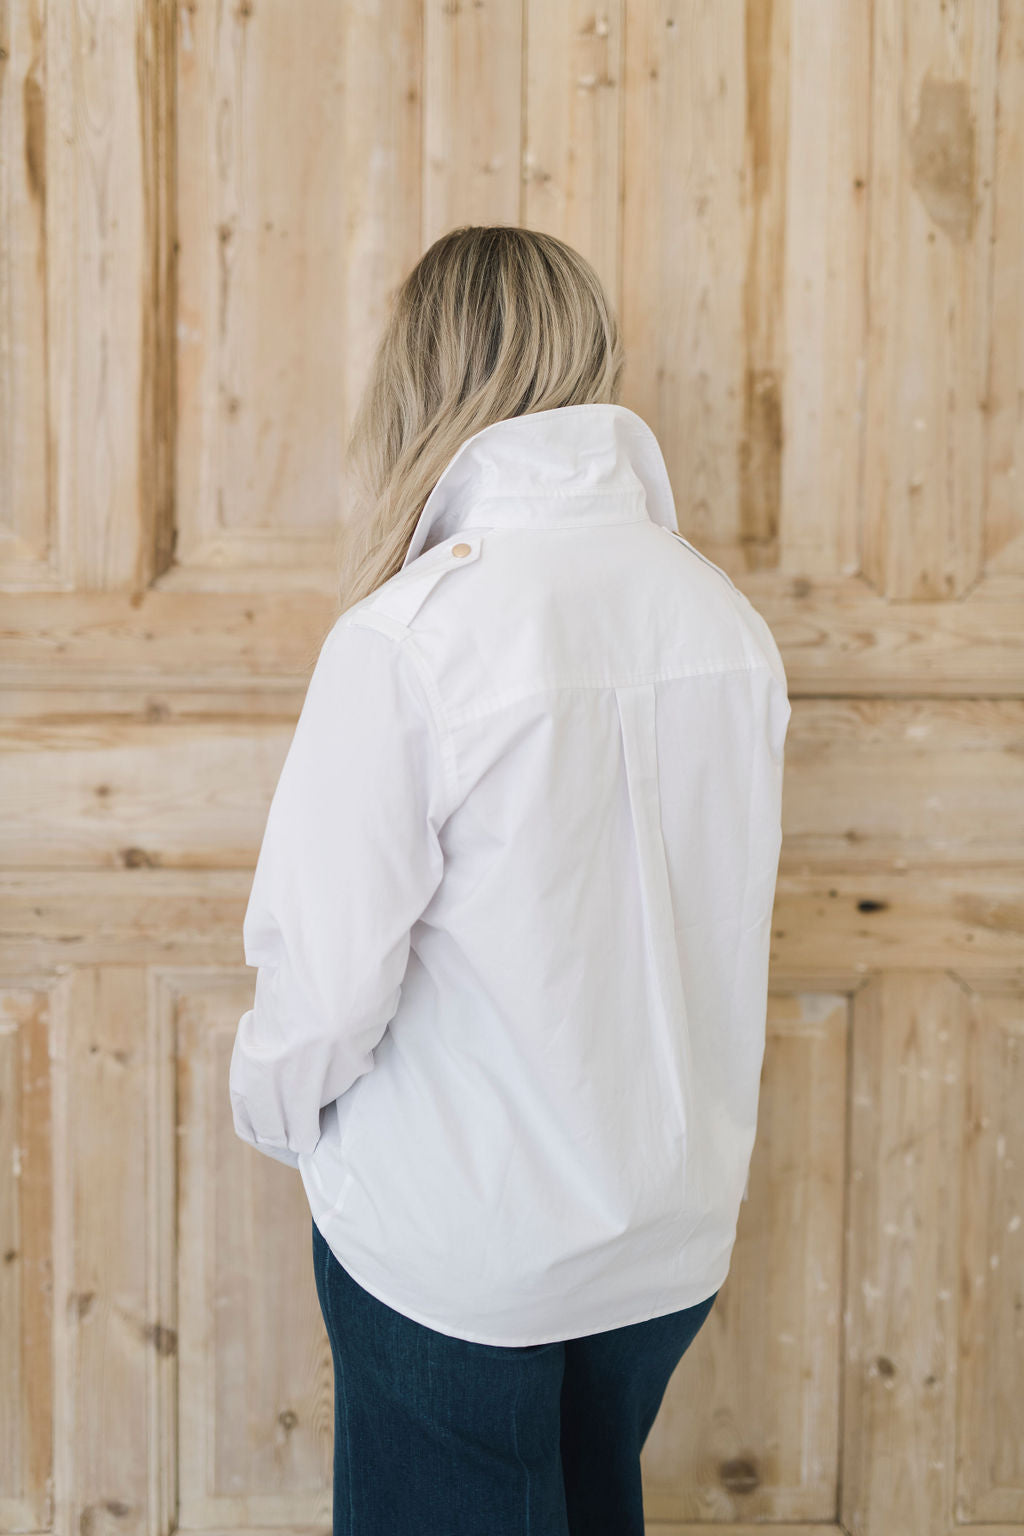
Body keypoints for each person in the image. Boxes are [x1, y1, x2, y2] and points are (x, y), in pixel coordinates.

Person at [229, 225, 791, 1535]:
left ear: (416, 379)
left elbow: (322, 988)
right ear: (590, 356)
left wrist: (281, 1121)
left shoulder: (413, 639)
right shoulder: (718, 616)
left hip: (457, 1254)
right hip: (662, 1240)